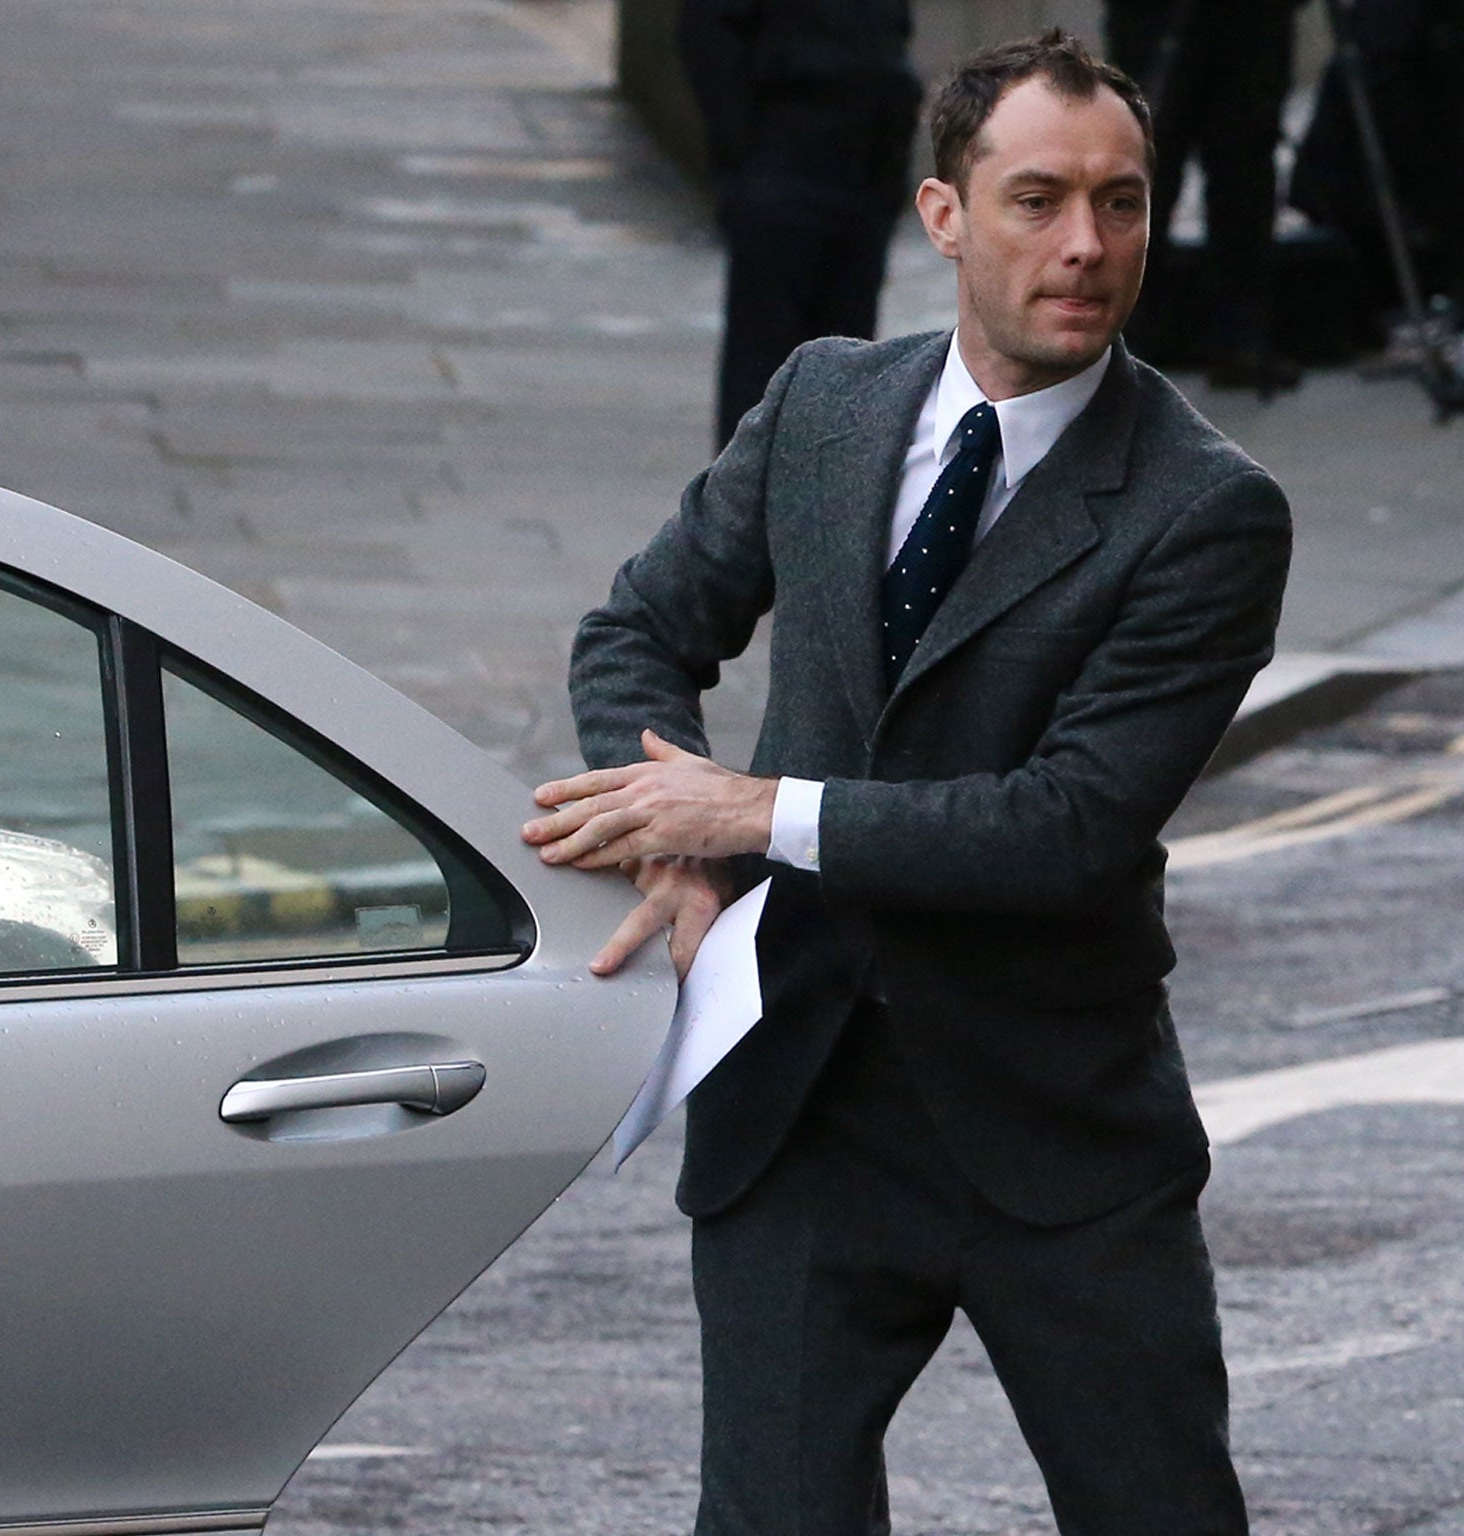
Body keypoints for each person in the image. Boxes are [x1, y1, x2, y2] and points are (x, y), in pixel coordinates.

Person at [521, 30, 1290, 1534]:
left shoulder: (1208, 513)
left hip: (1053, 1135)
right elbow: (639, 629)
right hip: (800, 1103)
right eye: (1039, 199)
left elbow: (1065, 828)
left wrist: (751, 815)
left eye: (1123, 203)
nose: (1088, 245)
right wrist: (666, 836)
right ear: (944, 215)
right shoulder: (824, 405)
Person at [679, 0, 922, 447]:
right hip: (787, 153)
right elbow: (707, 33)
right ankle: (747, 509)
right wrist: (744, 164)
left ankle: (830, 506)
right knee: (763, 372)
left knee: (848, 371)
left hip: (864, 163)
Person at [1104, 0, 1304, 391]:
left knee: (1245, 167)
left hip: (1249, 19)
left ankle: (1241, 337)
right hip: (1158, 17)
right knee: (1146, 162)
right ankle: (1126, 335)